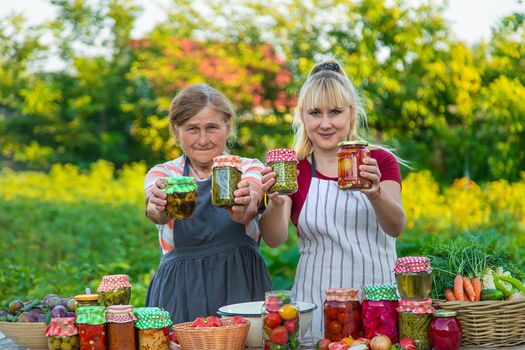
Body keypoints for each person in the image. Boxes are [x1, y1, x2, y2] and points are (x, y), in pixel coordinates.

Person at [259, 60, 406, 339]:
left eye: (335, 112)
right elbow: (274, 239)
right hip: (316, 304)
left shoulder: (379, 161)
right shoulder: (296, 168)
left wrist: (375, 194)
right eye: (315, 113)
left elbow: (396, 226)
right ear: (303, 116)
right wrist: (276, 202)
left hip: (376, 301)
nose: (325, 123)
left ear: (351, 113)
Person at [144, 84, 272, 323]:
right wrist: (156, 205)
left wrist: (244, 205)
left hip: (240, 285)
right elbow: (154, 211)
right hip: (179, 291)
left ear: (228, 127)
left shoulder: (249, 168)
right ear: (176, 130)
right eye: (192, 129)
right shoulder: (164, 173)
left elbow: (251, 201)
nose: (203, 139)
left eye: (211, 128)